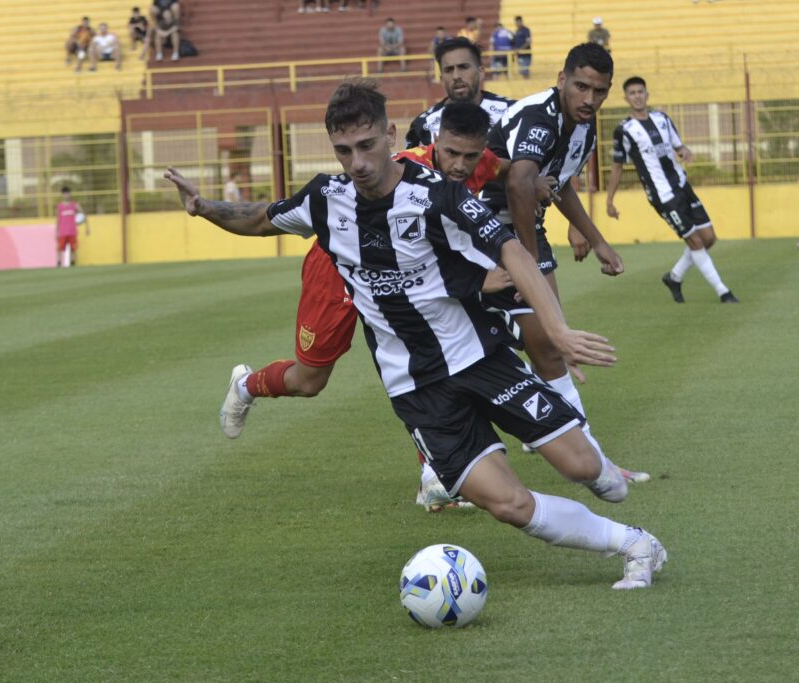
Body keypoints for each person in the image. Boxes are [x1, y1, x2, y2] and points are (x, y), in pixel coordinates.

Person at [164, 79, 667, 591]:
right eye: (343, 150)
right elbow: (257, 218)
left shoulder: (437, 195)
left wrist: (556, 330)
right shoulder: (325, 199)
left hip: (479, 358)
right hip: (417, 388)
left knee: (587, 469)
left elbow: (512, 250)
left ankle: (600, 476)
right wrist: (202, 206)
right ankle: (635, 544)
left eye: (366, 146)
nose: (356, 162)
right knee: (509, 505)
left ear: (390, 134)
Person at [485, 44, 649, 487]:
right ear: (562, 79)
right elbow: (520, 181)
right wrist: (528, 261)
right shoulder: (540, 116)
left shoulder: (583, 127)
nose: (588, 99)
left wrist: (597, 240)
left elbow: (558, 185)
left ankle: (583, 449)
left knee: (550, 346)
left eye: (598, 91)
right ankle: (585, 453)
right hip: (478, 227)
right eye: (580, 87)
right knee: (535, 341)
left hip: (520, 230)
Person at [606, 76, 739, 303]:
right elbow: (617, 166)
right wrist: (609, 200)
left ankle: (674, 277)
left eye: (640, 92)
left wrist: (685, 151)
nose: (637, 96)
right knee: (695, 241)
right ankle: (723, 292)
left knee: (708, 238)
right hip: (663, 195)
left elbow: (678, 146)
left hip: (681, 185)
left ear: (646, 95)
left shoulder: (663, 119)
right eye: (632, 93)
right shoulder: (624, 130)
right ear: (626, 98)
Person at [56, 186, 90, 267]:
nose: (66, 195)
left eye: (68, 193)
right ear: (62, 195)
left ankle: (73, 264)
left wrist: (87, 227)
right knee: (60, 248)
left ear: (70, 194)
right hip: (63, 232)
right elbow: (57, 220)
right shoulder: (59, 206)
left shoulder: (74, 205)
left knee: (73, 249)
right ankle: (59, 263)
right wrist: (56, 232)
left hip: (72, 231)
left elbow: (84, 215)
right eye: (64, 193)